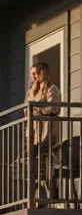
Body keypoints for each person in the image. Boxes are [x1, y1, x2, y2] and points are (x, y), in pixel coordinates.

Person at [27, 61, 63, 203]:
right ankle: (35, 200)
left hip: (48, 136)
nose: (33, 77)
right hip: (33, 136)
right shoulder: (31, 92)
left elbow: (53, 108)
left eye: (36, 73)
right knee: (29, 170)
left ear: (44, 73)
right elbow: (26, 110)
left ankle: (53, 201)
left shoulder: (52, 89)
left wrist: (38, 109)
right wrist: (35, 109)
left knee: (49, 171)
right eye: (32, 74)